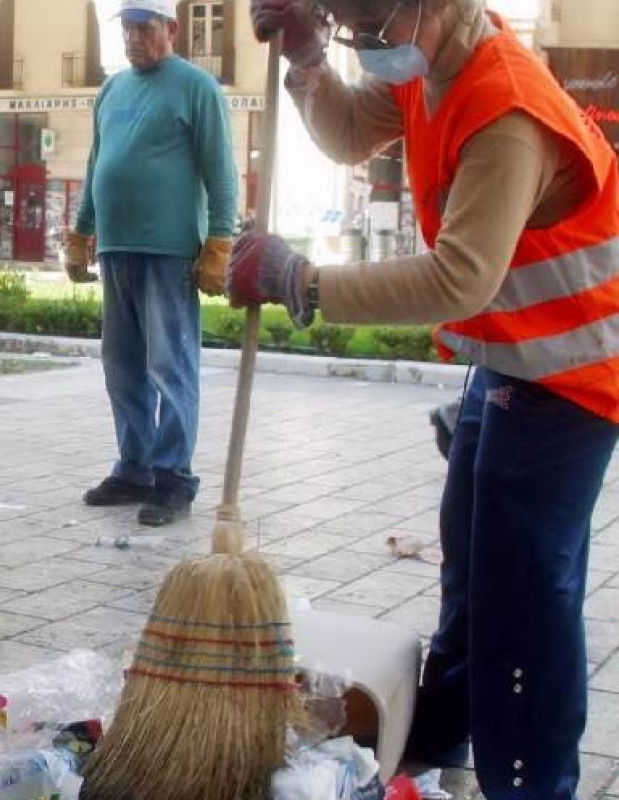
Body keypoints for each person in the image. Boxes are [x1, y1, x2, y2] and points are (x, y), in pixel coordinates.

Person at [239, 1, 619, 796]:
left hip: (575, 371)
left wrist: (303, 281)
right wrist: (309, 61)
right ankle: (441, 732)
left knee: (524, 592)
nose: (362, 44)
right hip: (517, 360)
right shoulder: (429, 61)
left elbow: (459, 277)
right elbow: (351, 134)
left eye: (370, 28)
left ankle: (531, 782)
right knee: (472, 564)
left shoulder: (506, 109)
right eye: (345, 26)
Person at [64, 0, 238, 527]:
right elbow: (97, 164)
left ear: (171, 28)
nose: (133, 38)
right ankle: (134, 468)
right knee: (122, 367)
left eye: (144, 27)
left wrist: (219, 244)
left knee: (170, 366)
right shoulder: (112, 89)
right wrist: (81, 233)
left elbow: (222, 173)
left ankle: (173, 477)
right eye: (127, 28)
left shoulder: (197, 87)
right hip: (116, 247)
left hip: (169, 252)